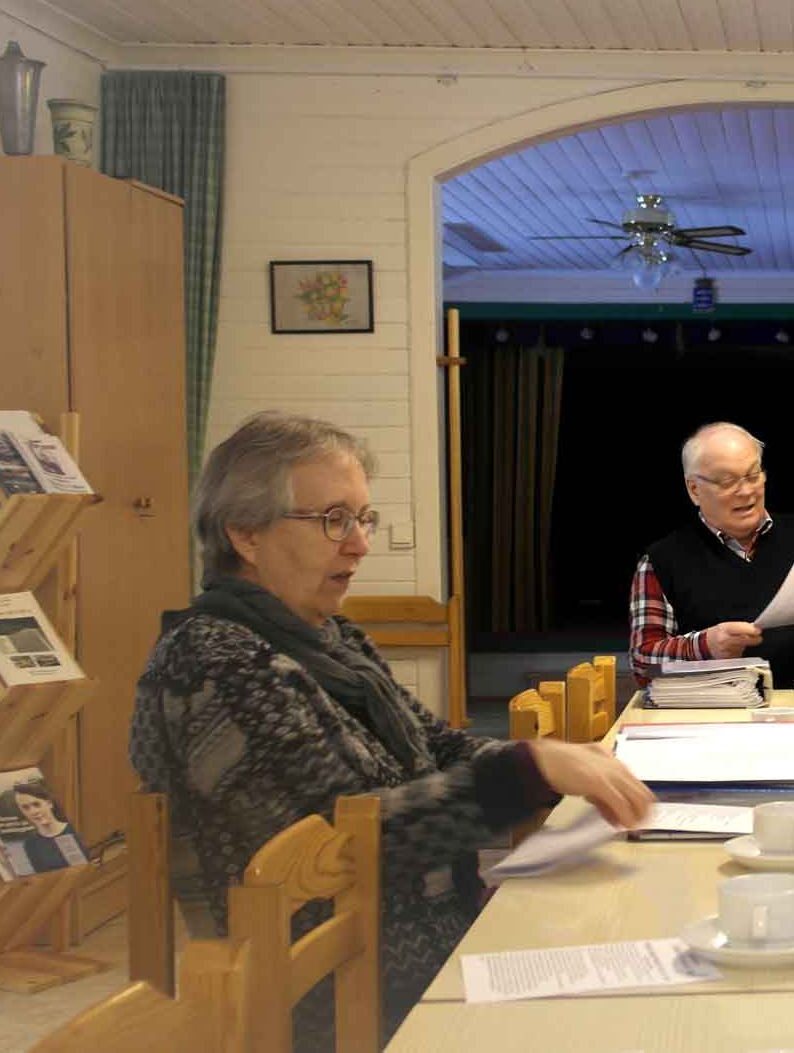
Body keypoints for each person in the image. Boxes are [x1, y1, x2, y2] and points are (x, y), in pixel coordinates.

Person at [131, 412, 654, 1047]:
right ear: (245, 533)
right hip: (340, 993)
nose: (359, 544)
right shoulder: (218, 661)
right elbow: (349, 843)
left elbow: (437, 745)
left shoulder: (328, 640)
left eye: (363, 518)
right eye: (333, 520)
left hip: (420, 937)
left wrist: (544, 760)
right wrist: (526, 772)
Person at [629, 422, 794, 687]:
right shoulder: (661, 561)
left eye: (752, 475)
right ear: (694, 489)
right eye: (727, 481)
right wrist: (705, 646)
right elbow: (643, 662)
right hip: (717, 709)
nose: (746, 491)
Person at [12, 780, 86, 874]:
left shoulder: (76, 828)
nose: (33, 812)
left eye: (36, 804)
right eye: (25, 808)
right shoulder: (30, 844)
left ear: (49, 803)